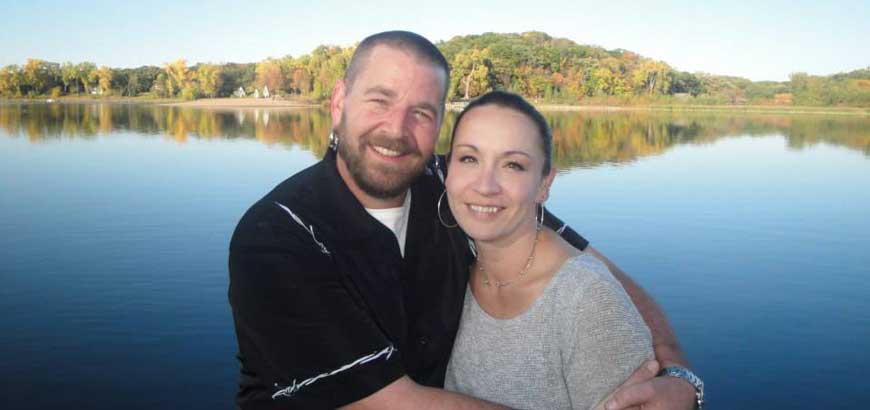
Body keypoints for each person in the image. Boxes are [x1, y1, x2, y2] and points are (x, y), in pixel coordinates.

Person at [228, 30, 702, 410]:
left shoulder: (453, 184)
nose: (396, 130)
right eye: (379, 101)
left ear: (440, 126)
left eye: (421, 112)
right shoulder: (278, 234)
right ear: (338, 103)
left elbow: (602, 272)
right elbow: (394, 402)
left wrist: (678, 376)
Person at [442, 91, 652, 410]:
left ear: (544, 184)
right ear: (447, 170)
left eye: (513, 165)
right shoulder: (458, 263)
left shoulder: (586, 300)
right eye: (469, 158)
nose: (485, 185)